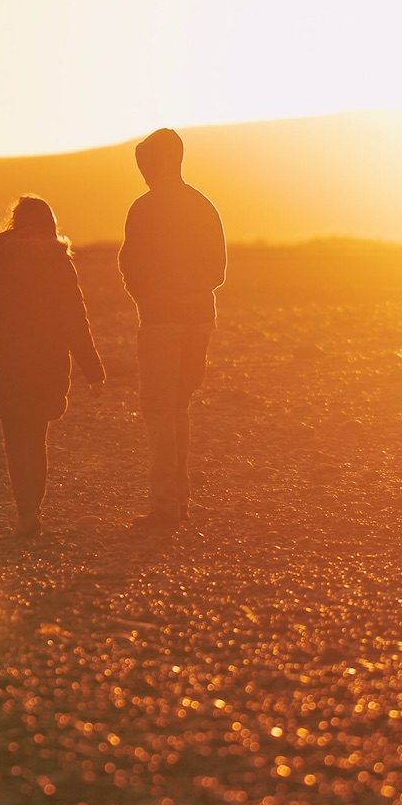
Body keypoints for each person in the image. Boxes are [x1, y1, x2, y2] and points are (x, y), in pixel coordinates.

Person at [0, 196, 104, 537]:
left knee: (15, 437)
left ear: (16, 222)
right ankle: (35, 507)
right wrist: (93, 371)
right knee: (37, 435)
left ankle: (26, 512)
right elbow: (76, 318)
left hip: (11, 357)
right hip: (49, 359)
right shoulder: (59, 260)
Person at [119, 128, 226, 526]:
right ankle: (177, 502)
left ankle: (166, 508)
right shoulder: (203, 205)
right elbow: (218, 270)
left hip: (161, 321)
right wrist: (191, 291)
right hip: (199, 319)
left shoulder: (144, 209)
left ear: (156, 163)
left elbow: (129, 266)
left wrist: (149, 299)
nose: (142, 173)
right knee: (179, 407)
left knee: (161, 410)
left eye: (145, 165)